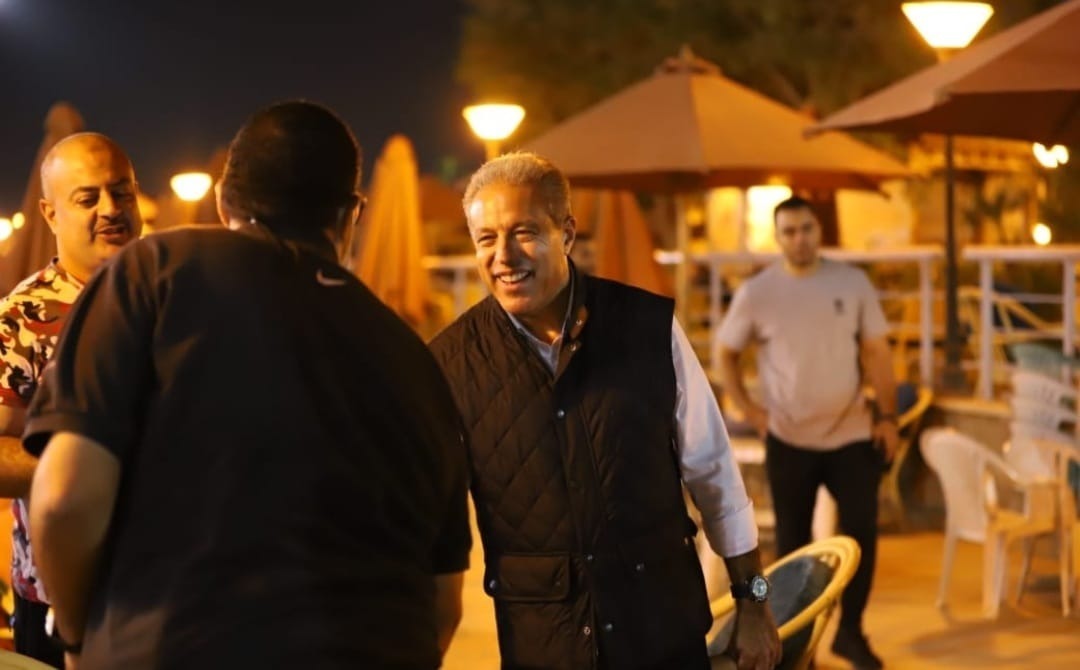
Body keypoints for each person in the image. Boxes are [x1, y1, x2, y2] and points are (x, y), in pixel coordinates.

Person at [22, 101, 470, 669]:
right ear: (350, 216)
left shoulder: (154, 274)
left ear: (223, 200)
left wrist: (75, 636)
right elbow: (443, 604)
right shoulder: (413, 359)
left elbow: (65, 499)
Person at [429, 152, 780, 670]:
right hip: (543, 649)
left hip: (662, 636)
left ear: (567, 233)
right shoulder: (450, 362)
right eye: (486, 238)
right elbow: (430, 516)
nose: (503, 255)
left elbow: (715, 475)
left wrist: (754, 601)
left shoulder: (648, 327)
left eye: (524, 232)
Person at [717, 196, 898, 670]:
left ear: (820, 231)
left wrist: (888, 417)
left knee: (861, 537)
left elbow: (878, 352)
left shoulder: (851, 282)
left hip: (851, 435)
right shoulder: (758, 292)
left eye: (807, 229)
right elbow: (725, 353)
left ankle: (851, 632)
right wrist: (752, 411)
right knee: (792, 548)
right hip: (788, 440)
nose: (800, 239)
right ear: (778, 237)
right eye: (790, 231)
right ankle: (798, 643)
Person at [0, 132, 144, 667]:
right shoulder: (20, 319)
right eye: (88, 198)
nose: (110, 209)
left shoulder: (173, 296)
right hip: (61, 599)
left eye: (122, 192)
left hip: (164, 587)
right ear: (50, 213)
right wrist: (89, 469)